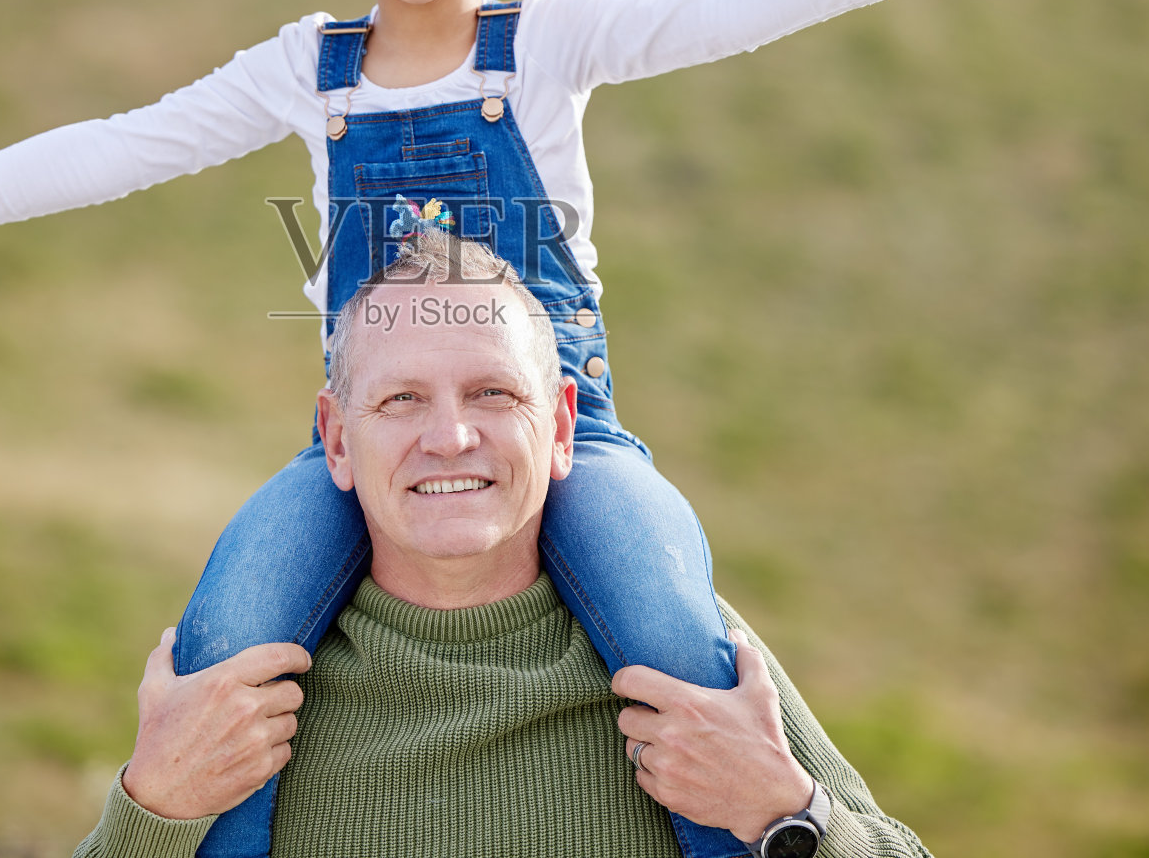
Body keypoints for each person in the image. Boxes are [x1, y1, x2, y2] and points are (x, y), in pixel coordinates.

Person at [0, 0, 1102, 857]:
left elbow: (716, 7)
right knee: (226, 637)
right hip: (367, 450)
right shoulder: (302, 72)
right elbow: (116, 146)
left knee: (675, 637)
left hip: (567, 438)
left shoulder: (549, 45)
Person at [73, 234, 932, 858]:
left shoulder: (686, 663)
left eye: (492, 392)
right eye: (402, 399)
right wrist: (154, 810)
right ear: (335, 439)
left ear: (560, 427)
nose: (450, 437)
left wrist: (784, 811)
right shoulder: (237, 703)